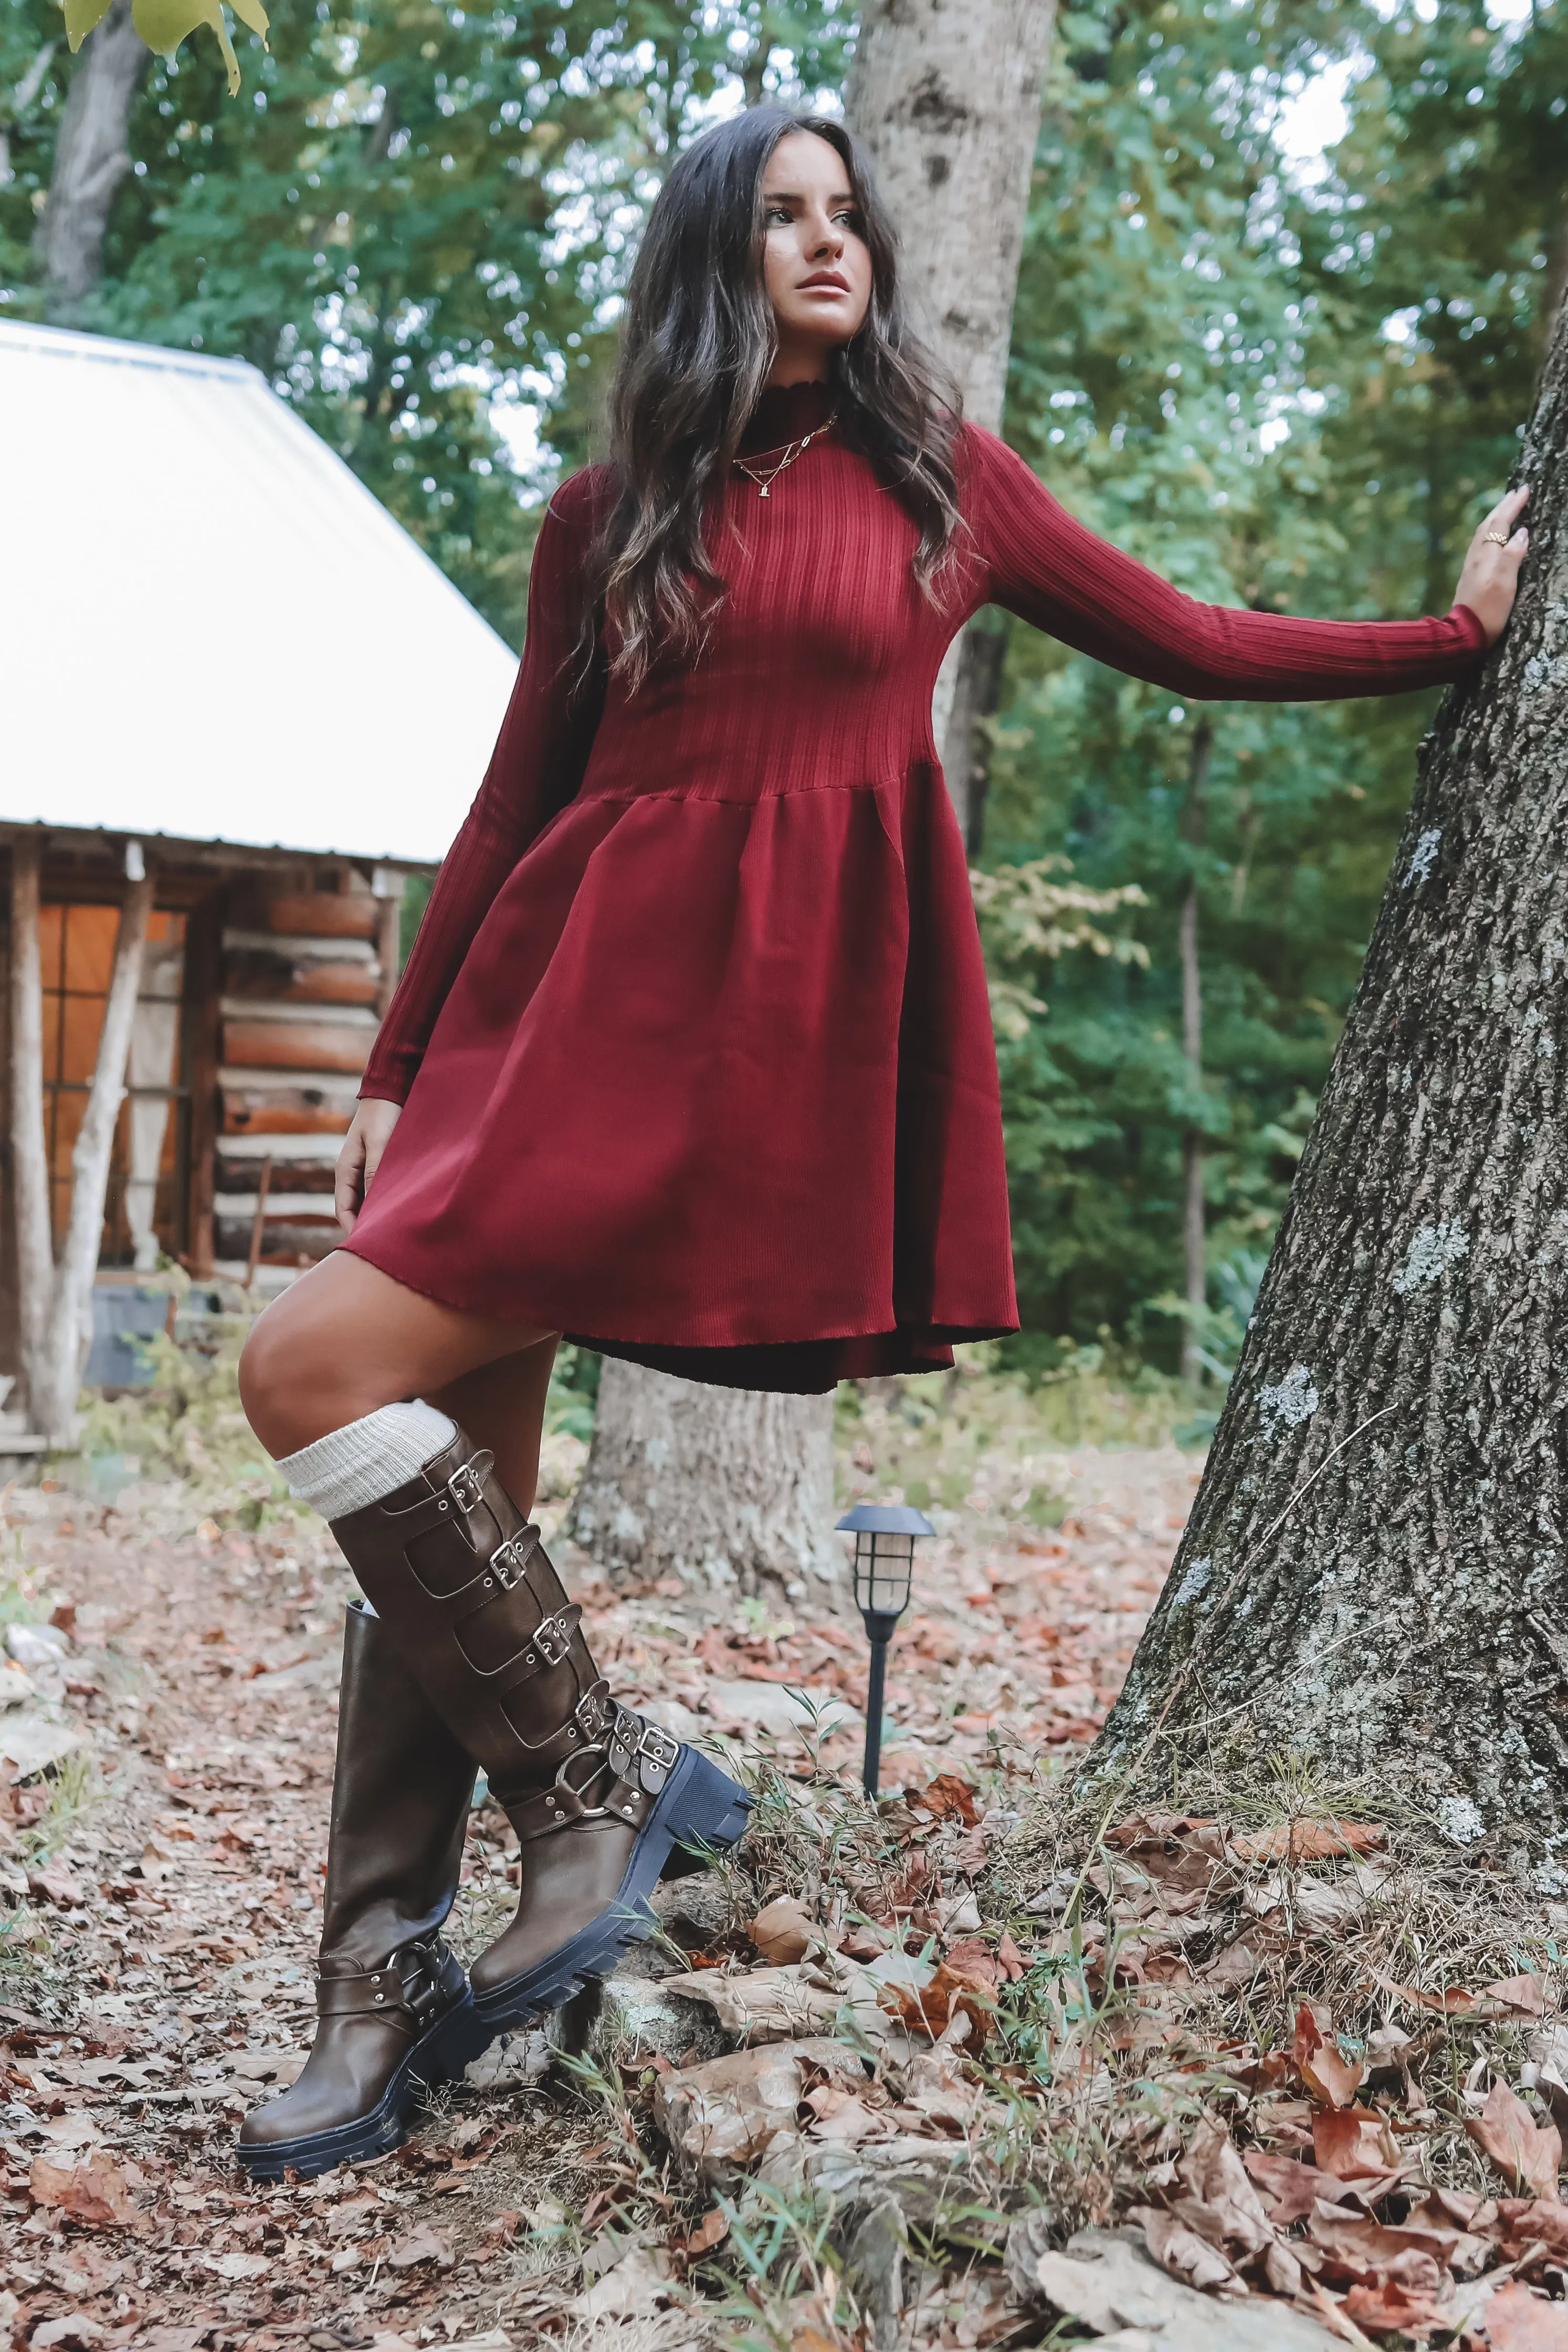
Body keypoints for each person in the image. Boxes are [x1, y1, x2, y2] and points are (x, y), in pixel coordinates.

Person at [233, 104, 1528, 2177]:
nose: (828, 242)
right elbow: (504, 808)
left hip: (729, 1054)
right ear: (707, 256)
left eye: (849, 214)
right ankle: (399, 1965)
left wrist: (1449, 644)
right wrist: (392, 1060)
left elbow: (1190, 636)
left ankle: (571, 1814)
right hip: (535, 1026)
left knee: (342, 1409)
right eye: (780, 216)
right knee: (381, 1436)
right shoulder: (612, 512)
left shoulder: (944, 486)